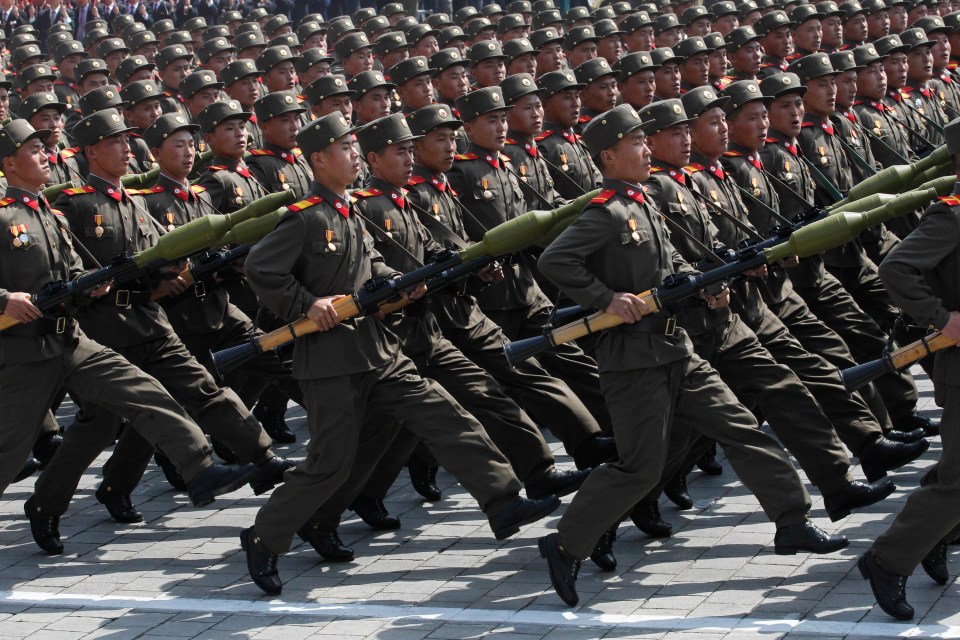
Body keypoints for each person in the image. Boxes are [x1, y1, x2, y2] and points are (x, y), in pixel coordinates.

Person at [536, 104, 848, 608]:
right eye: (636, 143)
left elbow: (668, 259)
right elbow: (556, 260)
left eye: (644, 141)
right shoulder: (605, 212)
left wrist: (703, 288)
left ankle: (792, 520)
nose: (645, 149)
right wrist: (605, 297)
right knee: (639, 466)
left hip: (677, 347)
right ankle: (566, 542)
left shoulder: (644, 202)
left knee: (742, 427)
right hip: (634, 360)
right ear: (609, 156)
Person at [238, 112, 562, 596]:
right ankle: (264, 535)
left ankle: (503, 501)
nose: (353, 156)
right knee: (329, 461)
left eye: (354, 146)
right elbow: (259, 269)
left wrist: (397, 287)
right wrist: (308, 304)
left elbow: (370, 265)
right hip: (330, 361)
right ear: (320, 159)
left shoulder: (348, 211)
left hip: (380, 349)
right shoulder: (306, 217)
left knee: (447, 415)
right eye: (345, 149)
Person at [0, 119, 255, 550]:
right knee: (9, 449)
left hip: (72, 339)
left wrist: (92, 283)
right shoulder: (5, 216)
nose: (46, 154)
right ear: (9, 162)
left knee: (145, 392)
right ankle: (44, 505)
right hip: (25, 350)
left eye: (46, 147)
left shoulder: (52, 214)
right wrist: (4, 299)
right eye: (33, 149)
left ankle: (199, 467)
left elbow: (71, 271)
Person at [860, 117, 960, 620]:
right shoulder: (952, 217)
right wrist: (942, 318)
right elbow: (896, 267)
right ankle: (886, 560)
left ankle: (938, 533)